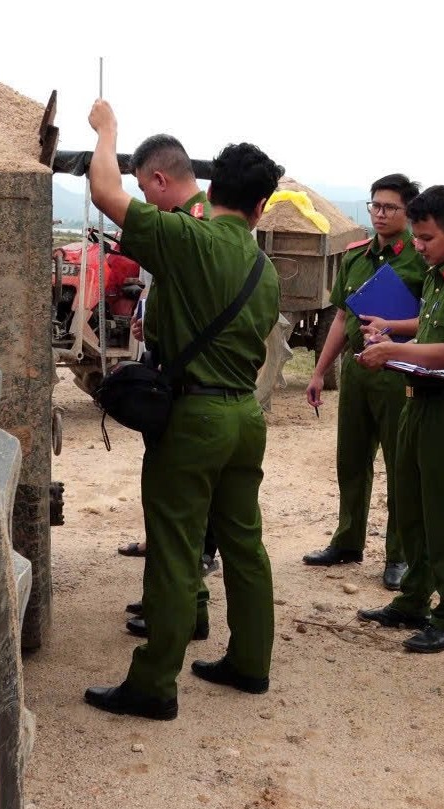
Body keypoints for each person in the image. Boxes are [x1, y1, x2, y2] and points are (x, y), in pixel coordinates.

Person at [83, 99, 283, 720]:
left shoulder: (190, 241)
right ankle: (249, 662)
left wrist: (107, 129)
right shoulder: (264, 269)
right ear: (259, 208)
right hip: (244, 420)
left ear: (214, 189)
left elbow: (104, 191)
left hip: (193, 419)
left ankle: (154, 684)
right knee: (244, 544)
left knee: (174, 547)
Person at [355, 185, 444, 653]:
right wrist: (390, 327)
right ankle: (414, 599)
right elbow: (430, 324)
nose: (418, 246)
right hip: (418, 403)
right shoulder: (440, 274)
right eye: (415, 237)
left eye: (427, 238)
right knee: (411, 507)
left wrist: (392, 349)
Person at [114, 133, 218, 642]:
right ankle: (174, 601)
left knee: (178, 514)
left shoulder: (191, 230)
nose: (145, 198)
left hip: (190, 392)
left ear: (159, 179)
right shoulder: (190, 229)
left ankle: (178, 614)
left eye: (144, 187)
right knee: (175, 513)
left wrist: (105, 130)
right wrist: (152, 325)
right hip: (180, 377)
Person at [303, 174, 427, 590]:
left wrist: (393, 326)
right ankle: (348, 540)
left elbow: (431, 320)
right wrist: (320, 371)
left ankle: (399, 555)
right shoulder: (356, 257)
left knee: (399, 463)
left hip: (398, 372)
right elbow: (341, 317)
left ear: (408, 213)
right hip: (358, 370)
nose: (379, 213)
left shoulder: (421, 259)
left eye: (389, 207)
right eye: (375, 205)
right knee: (351, 460)